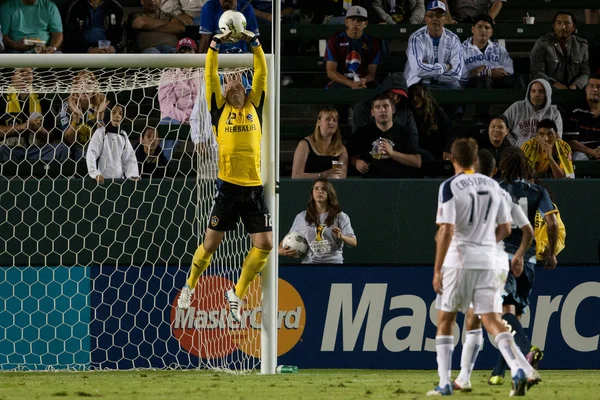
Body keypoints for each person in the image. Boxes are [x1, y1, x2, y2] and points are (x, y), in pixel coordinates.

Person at [428, 138, 540, 397]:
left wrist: (437, 269)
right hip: (490, 260)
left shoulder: (450, 186)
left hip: (459, 260)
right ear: (474, 157)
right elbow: (506, 228)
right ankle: (518, 369)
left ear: (453, 159)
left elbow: (445, 229)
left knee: (445, 319)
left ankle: (445, 383)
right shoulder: (496, 188)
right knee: (491, 319)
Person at [177, 29, 272, 323]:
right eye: (228, 83)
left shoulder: (255, 104)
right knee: (210, 244)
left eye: (238, 83)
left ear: (245, 88)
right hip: (229, 187)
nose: (233, 85)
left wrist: (254, 42)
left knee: (266, 244)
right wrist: (215, 45)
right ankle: (189, 287)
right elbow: (209, 75)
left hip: (254, 188)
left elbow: (261, 73)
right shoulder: (219, 110)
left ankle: (237, 293)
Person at [452, 148, 534, 393]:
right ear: (494, 170)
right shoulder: (502, 195)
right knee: (478, 317)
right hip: (499, 262)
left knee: (485, 319)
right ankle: (465, 377)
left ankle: (523, 369)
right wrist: (517, 255)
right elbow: (520, 230)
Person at [486, 146, 559, 386]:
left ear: (503, 166)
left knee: (502, 316)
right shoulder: (538, 190)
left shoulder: (498, 188)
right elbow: (551, 221)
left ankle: (528, 350)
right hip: (527, 261)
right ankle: (498, 372)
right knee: (513, 317)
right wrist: (550, 254)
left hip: (504, 258)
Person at [279, 178, 357, 263]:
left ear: (329, 193)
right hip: (309, 264)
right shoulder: (301, 217)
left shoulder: (340, 216)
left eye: (324, 189)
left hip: (334, 264)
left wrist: (342, 236)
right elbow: (288, 239)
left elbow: (353, 242)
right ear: (312, 193)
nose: (319, 191)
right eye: (316, 188)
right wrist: (280, 251)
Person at [461, 14, 522, 122]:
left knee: (517, 80)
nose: (483, 30)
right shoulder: (462, 48)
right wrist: (488, 72)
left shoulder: (498, 48)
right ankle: (481, 119)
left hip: (497, 78)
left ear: (491, 32)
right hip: (473, 82)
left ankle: (520, 117)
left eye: (487, 27)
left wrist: (485, 68)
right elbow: (463, 73)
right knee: (485, 79)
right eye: (479, 27)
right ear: (473, 29)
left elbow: (509, 68)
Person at [0, 68, 68, 163]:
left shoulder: (42, 99)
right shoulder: (2, 98)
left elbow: (51, 135)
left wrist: (37, 130)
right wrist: (23, 127)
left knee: (61, 149)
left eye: (28, 73)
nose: (25, 75)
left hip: (37, 151)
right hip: (9, 150)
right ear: (12, 77)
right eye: (21, 72)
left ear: (32, 78)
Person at [348, 94, 421, 178]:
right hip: (370, 183)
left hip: (399, 183)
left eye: (386, 106)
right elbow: (348, 156)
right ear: (372, 112)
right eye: (377, 107)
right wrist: (356, 162)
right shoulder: (362, 132)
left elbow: (417, 162)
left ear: (393, 109)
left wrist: (392, 153)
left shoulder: (406, 132)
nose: (382, 110)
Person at [404, 1, 463, 89]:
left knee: (457, 89)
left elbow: (457, 73)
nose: (435, 18)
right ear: (425, 18)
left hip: (444, 83)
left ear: (445, 18)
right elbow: (418, 70)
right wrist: (446, 66)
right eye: (431, 15)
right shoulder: (416, 38)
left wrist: (429, 73)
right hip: (419, 83)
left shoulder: (453, 39)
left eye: (439, 15)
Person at [157, 38, 199, 159]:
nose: (186, 54)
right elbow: (166, 105)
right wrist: (184, 118)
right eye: (182, 51)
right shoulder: (169, 74)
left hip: (198, 117)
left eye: (189, 51)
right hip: (176, 117)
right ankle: (164, 169)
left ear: (195, 53)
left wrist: (193, 117)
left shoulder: (202, 73)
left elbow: (203, 101)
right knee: (168, 124)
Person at [324, 6, 380, 89]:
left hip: (362, 81)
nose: (356, 23)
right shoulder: (335, 40)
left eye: (360, 20)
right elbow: (331, 72)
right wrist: (350, 83)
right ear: (346, 22)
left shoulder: (372, 42)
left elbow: (371, 74)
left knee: (375, 88)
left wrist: (364, 80)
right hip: (340, 81)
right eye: (352, 19)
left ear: (366, 24)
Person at [530, 11, 590, 90]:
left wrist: (576, 85)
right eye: (559, 23)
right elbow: (536, 72)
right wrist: (554, 84)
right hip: (548, 90)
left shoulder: (582, 45)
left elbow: (585, 73)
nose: (563, 27)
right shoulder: (542, 44)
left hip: (575, 91)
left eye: (567, 23)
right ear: (554, 26)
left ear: (573, 27)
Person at [60, 70, 110, 160]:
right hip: (74, 149)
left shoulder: (102, 103)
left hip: (97, 148)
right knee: (81, 154)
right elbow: (69, 140)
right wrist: (75, 119)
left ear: (94, 87)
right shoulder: (66, 106)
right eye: (81, 83)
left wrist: (100, 118)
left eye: (89, 83)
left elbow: (102, 140)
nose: (85, 87)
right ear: (75, 86)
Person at [86, 105, 140, 183]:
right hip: (102, 180)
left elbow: (129, 158)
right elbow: (91, 153)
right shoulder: (101, 132)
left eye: (120, 113)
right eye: (113, 113)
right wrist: (95, 174)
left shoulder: (123, 135)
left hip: (119, 181)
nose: (117, 116)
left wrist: (133, 174)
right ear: (108, 114)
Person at [503, 78, 563, 148]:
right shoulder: (516, 107)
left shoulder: (554, 114)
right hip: (518, 152)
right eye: (533, 91)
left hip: (543, 154)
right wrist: (515, 144)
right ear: (529, 93)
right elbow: (502, 127)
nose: (536, 94)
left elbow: (557, 138)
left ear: (547, 94)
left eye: (541, 91)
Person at [351, 73, 417, 136]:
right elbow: (359, 138)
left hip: (399, 147)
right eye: (393, 93)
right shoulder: (363, 107)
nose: (396, 98)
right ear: (385, 91)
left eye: (400, 95)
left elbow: (413, 138)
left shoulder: (405, 109)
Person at [291, 107, 348, 179]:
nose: (331, 122)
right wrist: (322, 175)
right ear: (319, 122)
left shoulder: (341, 149)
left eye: (335, 120)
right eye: (328, 119)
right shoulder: (305, 144)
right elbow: (296, 176)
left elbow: (341, 176)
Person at [408, 83, 454, 161]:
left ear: (424, 96)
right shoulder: (409, 114)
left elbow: (452, 131)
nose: (415, 99)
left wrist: (447, 150)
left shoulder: (436, 112)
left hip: (438, 153)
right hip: (418, 154)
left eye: (418, 95)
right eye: (412, 96)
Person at [563, 74, 600, 160]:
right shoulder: (576, 111)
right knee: (581, 159)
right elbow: (570, 141)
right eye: (591, 86)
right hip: (582, 151)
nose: (595, 90)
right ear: (586, 89)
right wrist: (591, 151)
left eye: (599, 87)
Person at [439, 0, 504, 24]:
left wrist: (489, 18)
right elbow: (443, 0)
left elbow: (498, 1)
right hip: (455, 19)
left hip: (481, 19)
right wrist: (448, 18)